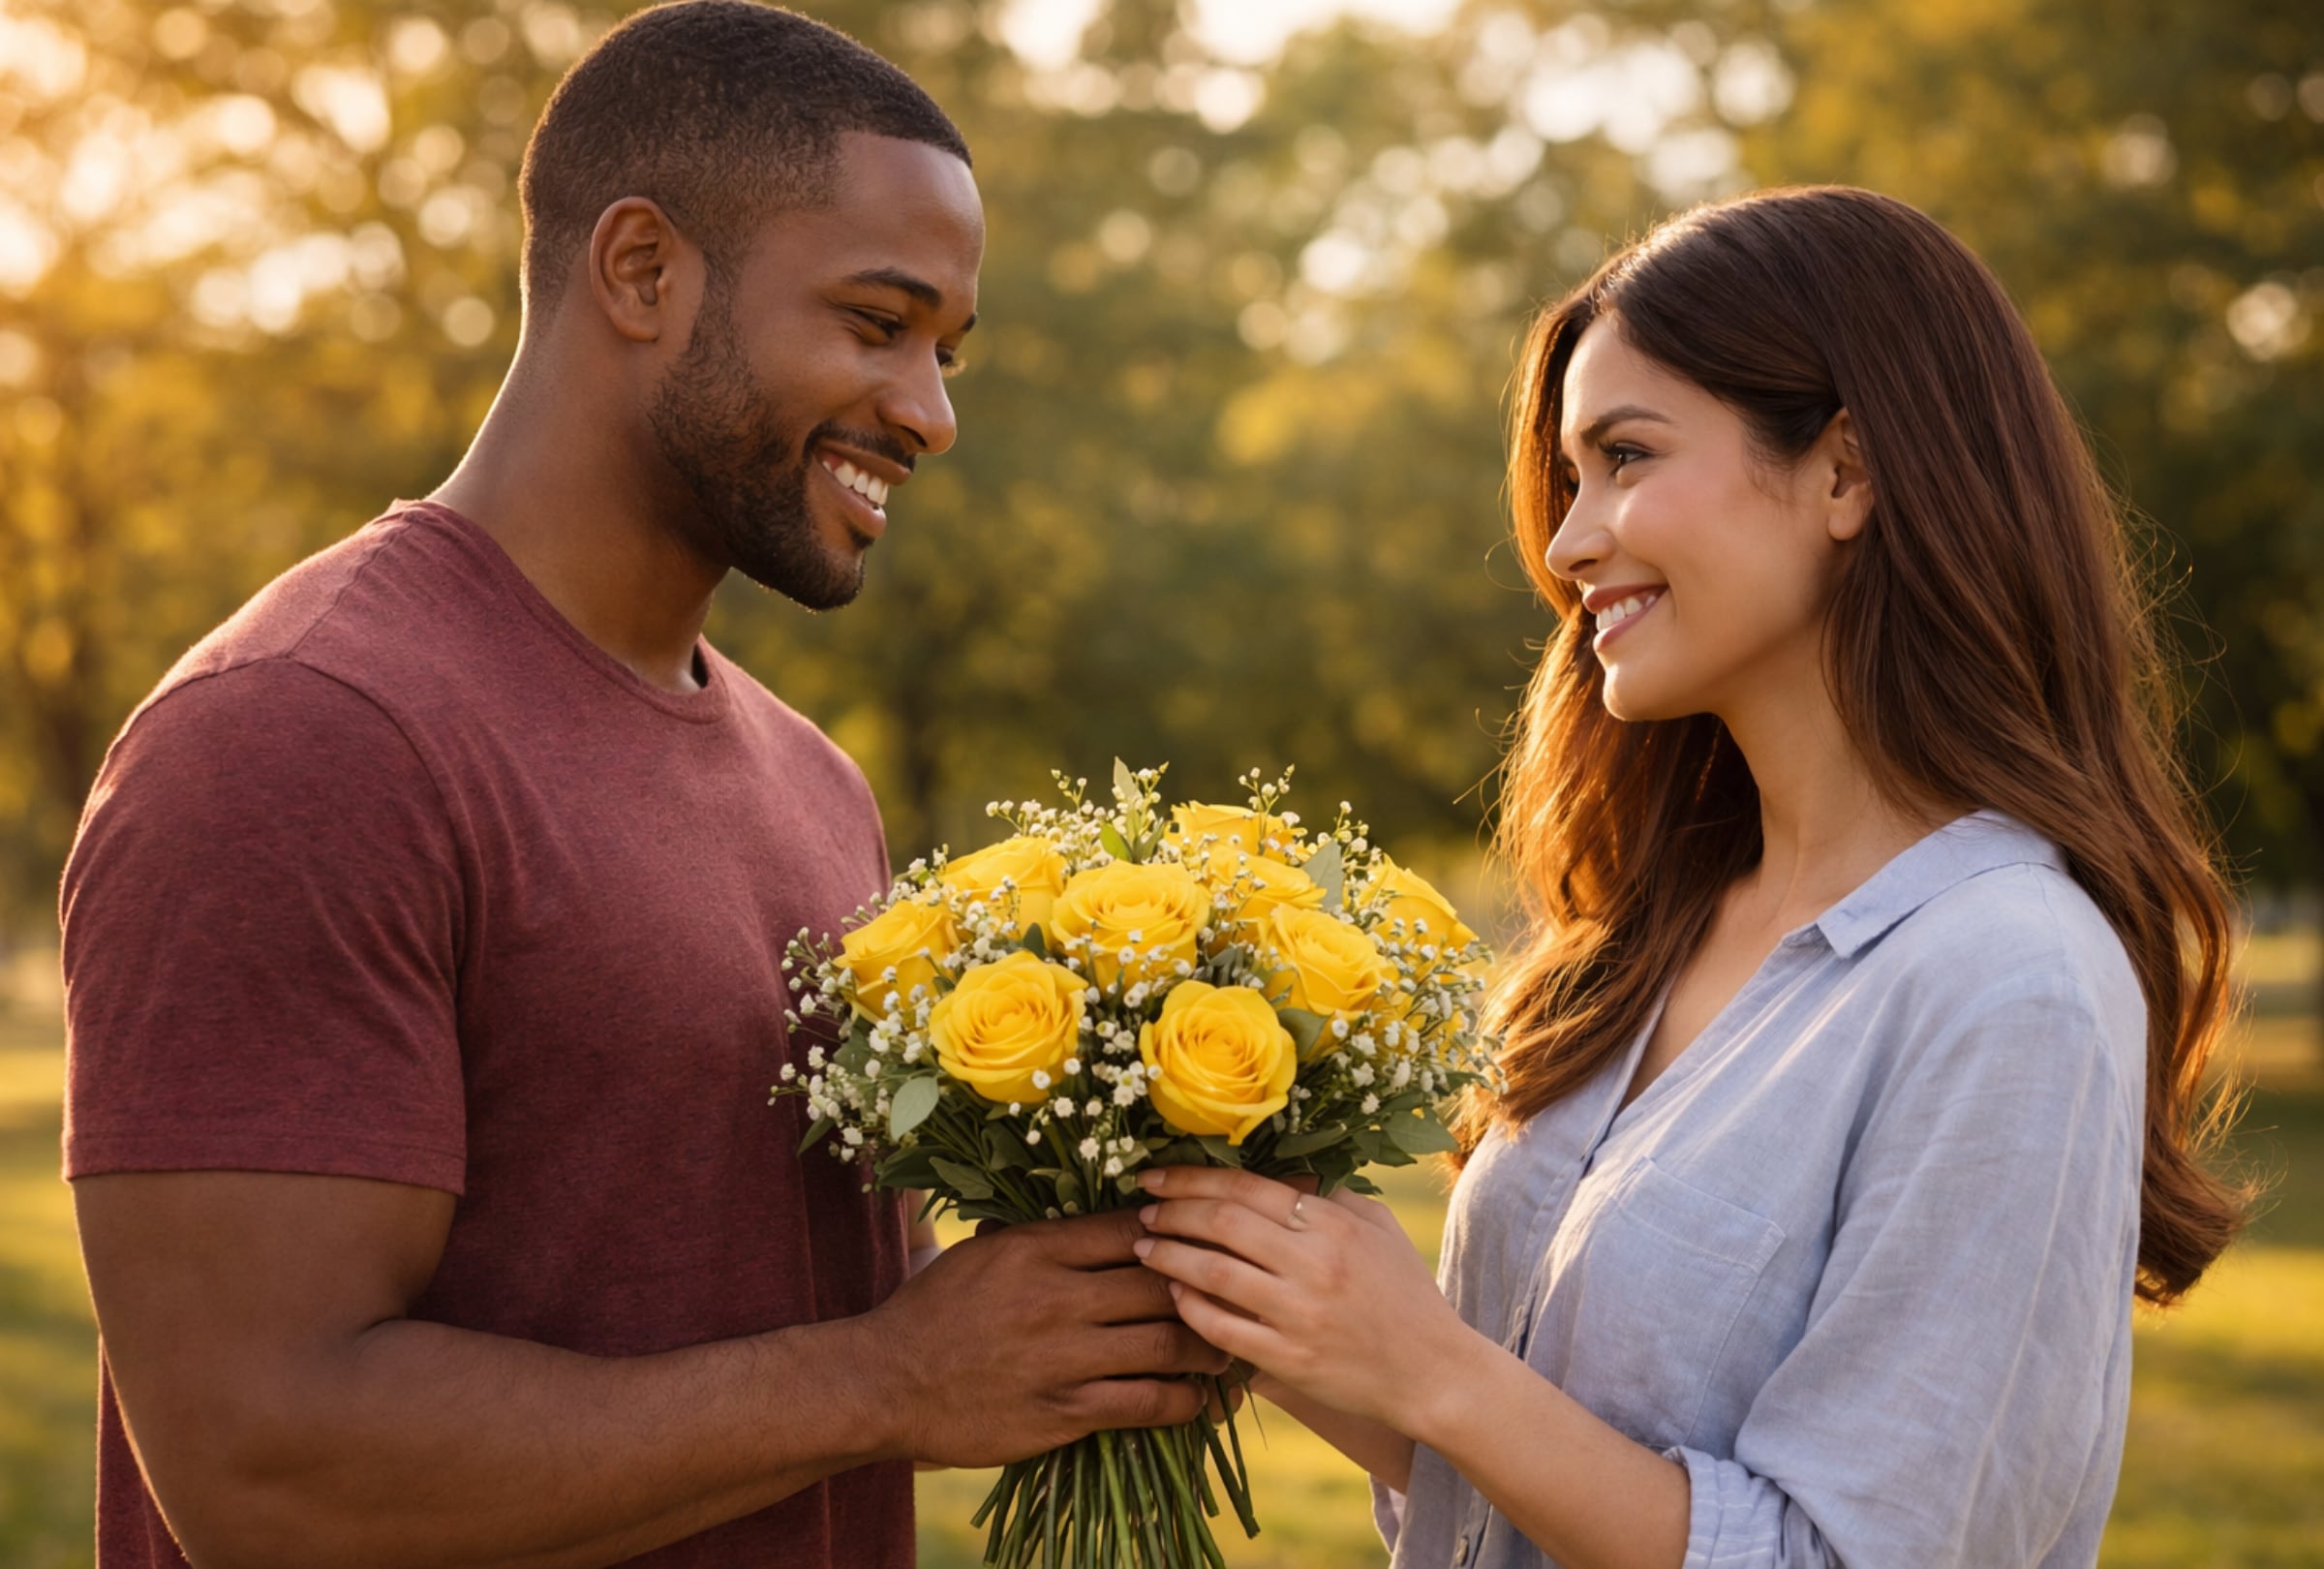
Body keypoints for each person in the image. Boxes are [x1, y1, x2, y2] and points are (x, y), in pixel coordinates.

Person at [60, 6, 1223, 1568]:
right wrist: (889, 1379)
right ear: (641, 271)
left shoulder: (816, 783)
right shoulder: (301, 737)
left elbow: (808, 1323)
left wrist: (1109, 1275)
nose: (931, 415)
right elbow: (266, 1472)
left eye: (943, 352)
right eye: (877, 323)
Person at [1130, 186, 2248, 1569]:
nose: (1565, 544)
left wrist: (1430, 1367)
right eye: (1571, 477)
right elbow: (1525, 1488)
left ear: (1847, 473)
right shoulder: (1646, 936)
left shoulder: (2011, 983)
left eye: (1626, 456)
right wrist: (1268, 1301)